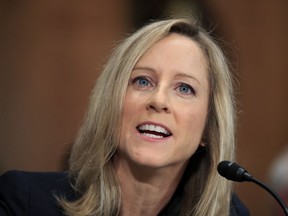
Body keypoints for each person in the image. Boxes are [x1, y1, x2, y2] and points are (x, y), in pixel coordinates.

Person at [0, 18, 250, 216]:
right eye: (142, 81)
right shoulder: (25, 202)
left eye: (184, 88)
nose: (158, 100)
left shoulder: (232, 214)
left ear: (208, 128)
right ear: (111, 103)